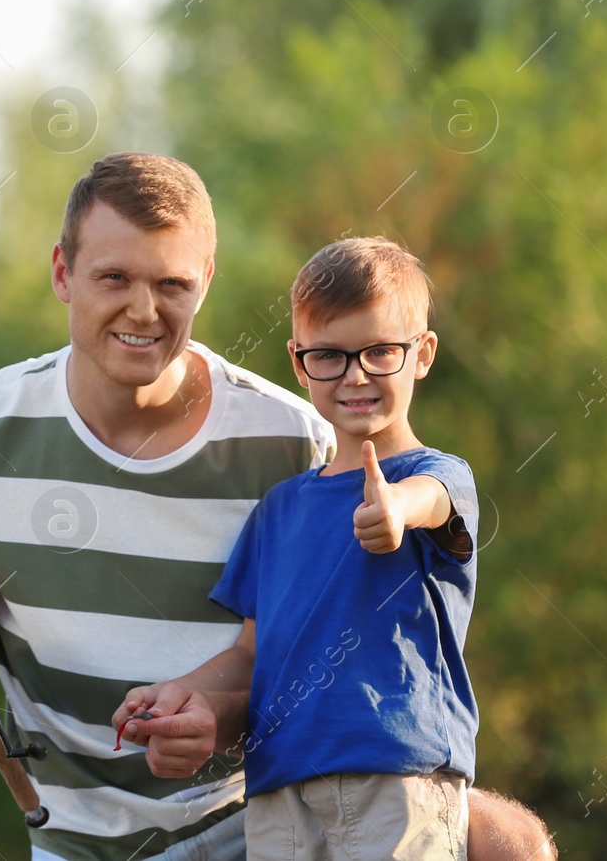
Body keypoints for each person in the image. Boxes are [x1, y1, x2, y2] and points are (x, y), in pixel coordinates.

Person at [0, 153, 555, 860]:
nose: (143, 310)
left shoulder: (297, 440)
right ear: (62, 272)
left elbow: (292, 658)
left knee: (508, 842)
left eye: (171, 283)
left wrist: (213, 718)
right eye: (114, 277)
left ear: (204, 282)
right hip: (74, 839)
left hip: (252, 821)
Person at [118, 237, 474, 859]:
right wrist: (183, 691)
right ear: (298, 361)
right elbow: (252, 652)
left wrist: (395, 509)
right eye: (329, 357)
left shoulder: (435, 476)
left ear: (422, 355)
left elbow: (432, 500)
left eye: (381, 352)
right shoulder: (278, 509)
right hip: (277, 784)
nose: (356, 375)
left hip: (394, 773)